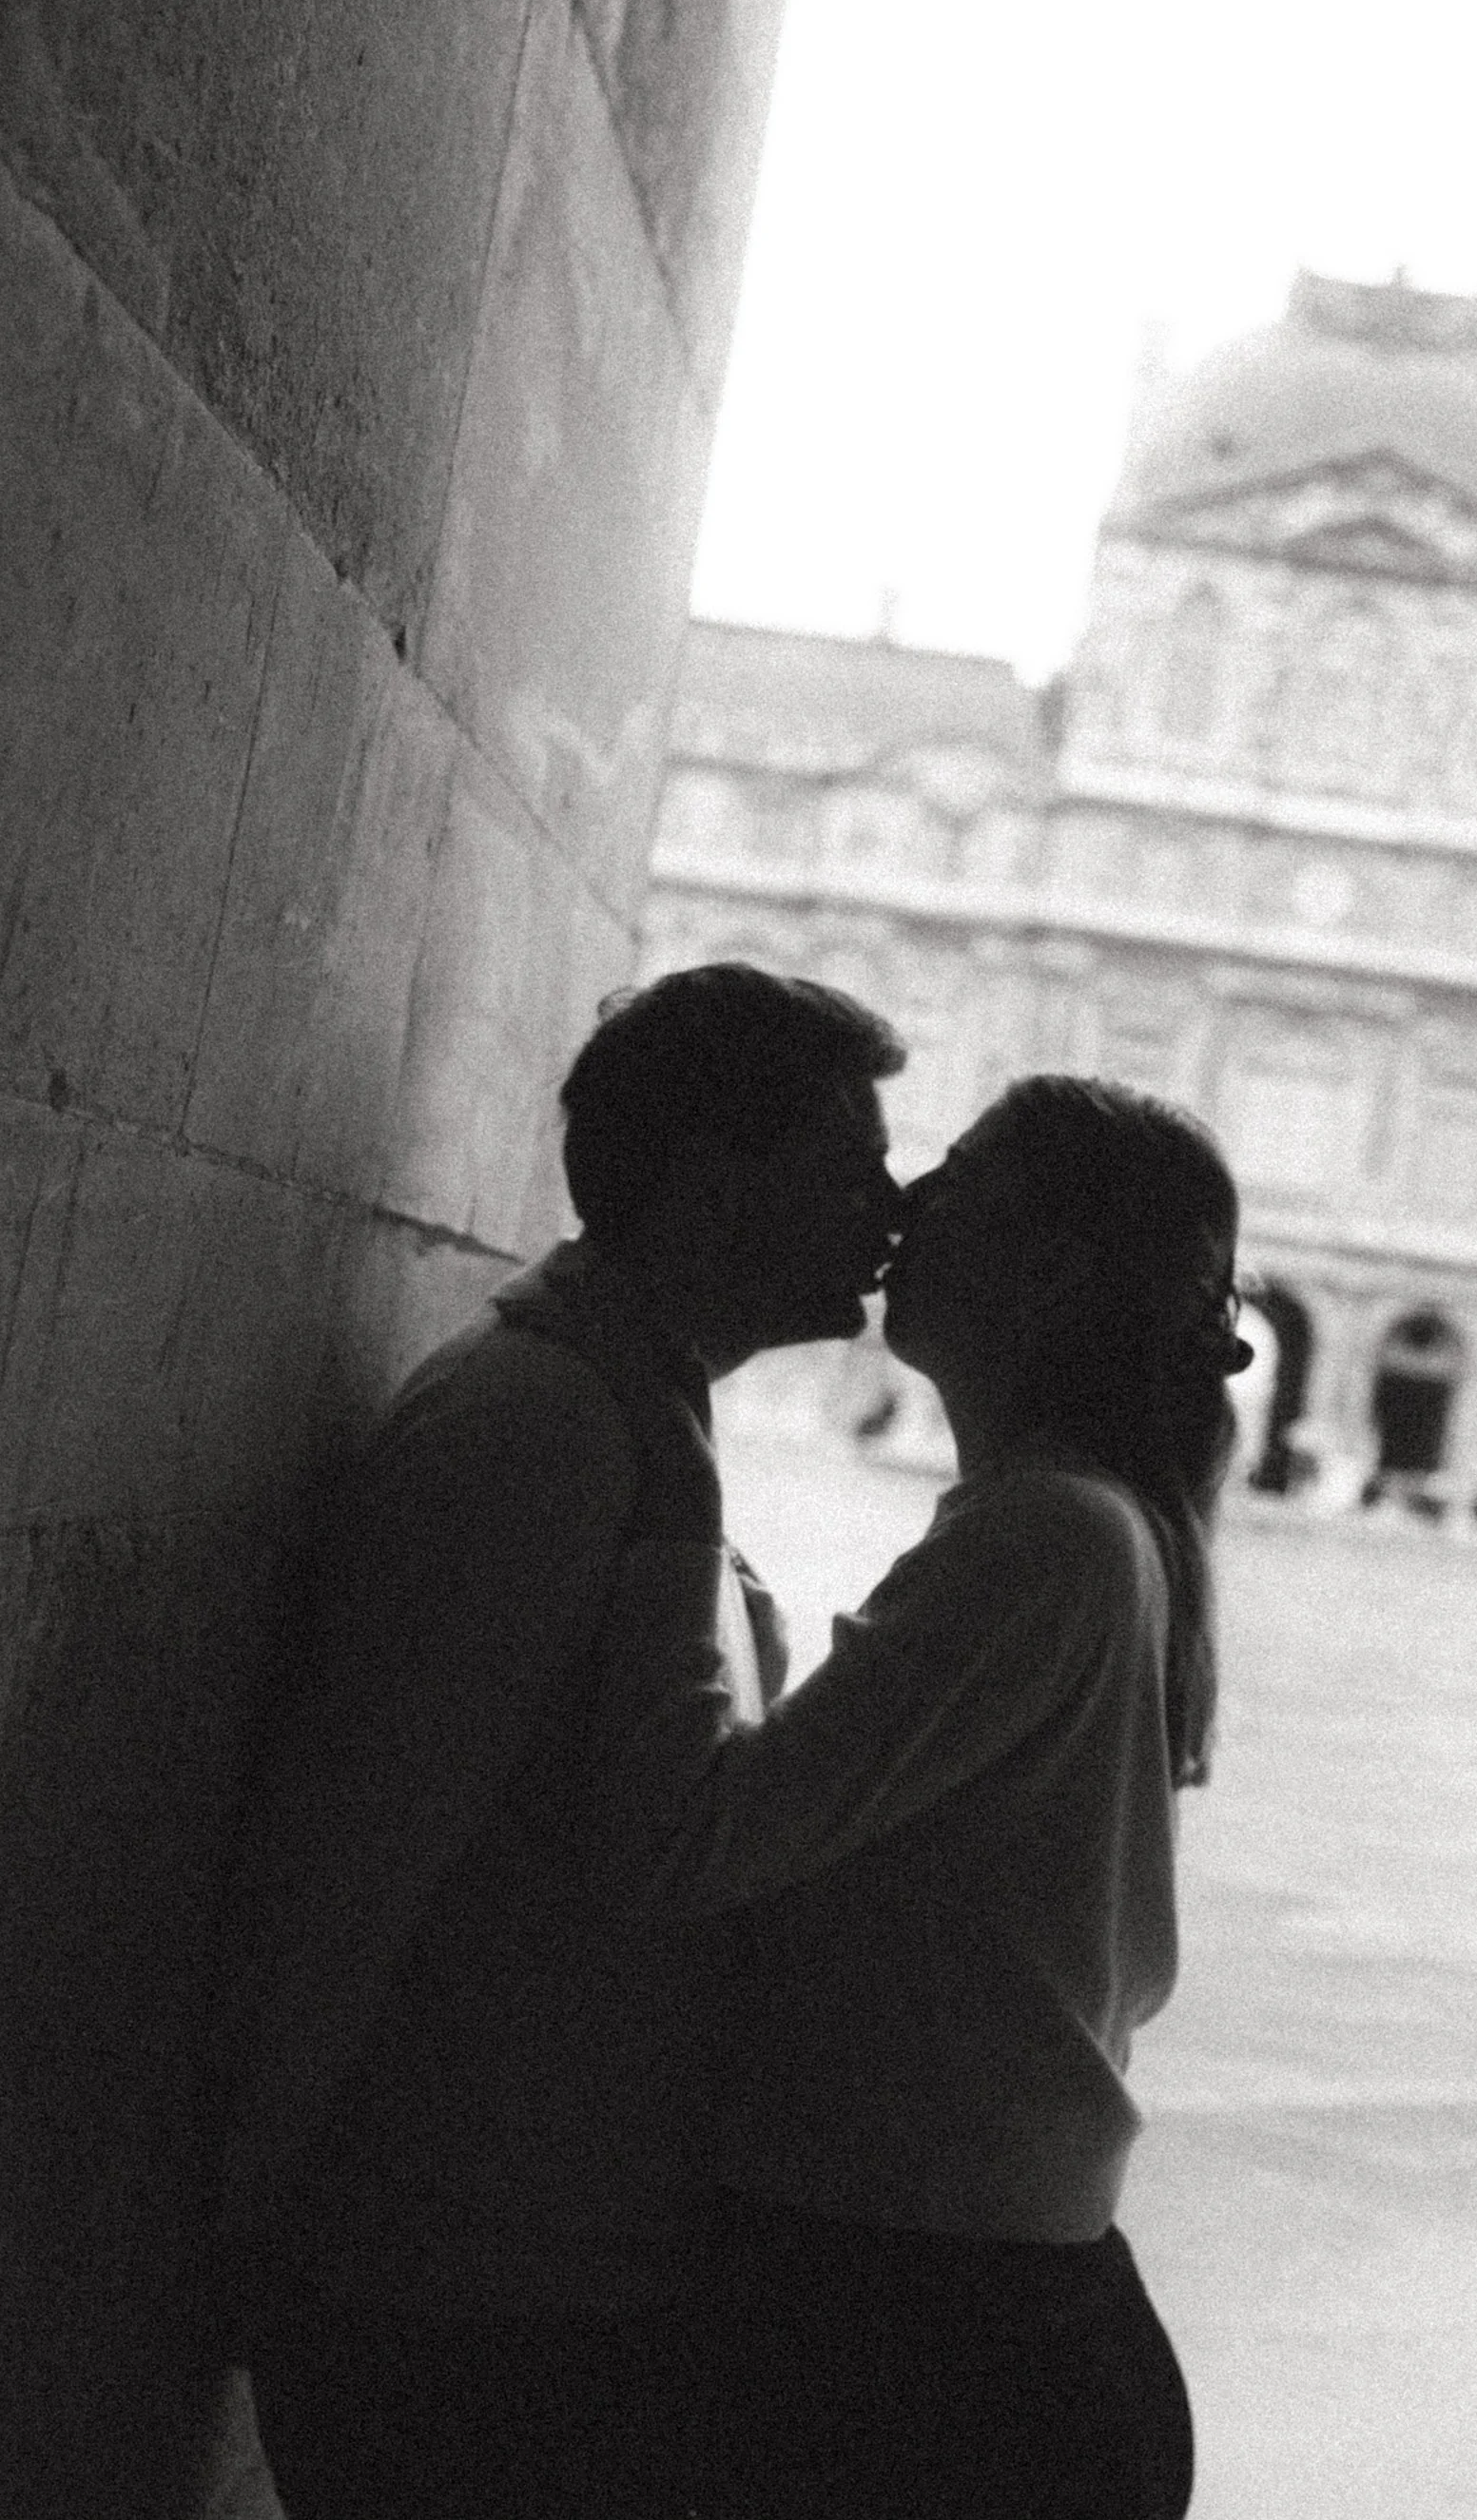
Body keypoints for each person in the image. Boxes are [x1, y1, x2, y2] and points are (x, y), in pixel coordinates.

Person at [215, 962, 906, 2520]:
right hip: (451, 2284)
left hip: (522, 2263)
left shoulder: (621, 1407)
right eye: (851, 1160)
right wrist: (249, 2212)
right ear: (719, 1178)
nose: (891, 1201)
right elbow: (351, 1856)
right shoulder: (545, 1428)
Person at [581, 1076, 1249, 2519]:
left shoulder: (1045, 1538)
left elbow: (697, 1837)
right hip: (977, 2320)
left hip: (920, 2349)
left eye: (958, 1179)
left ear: (1056, 1270)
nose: (907, 1207)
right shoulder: (1094, 1529)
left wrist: (659, 1488)